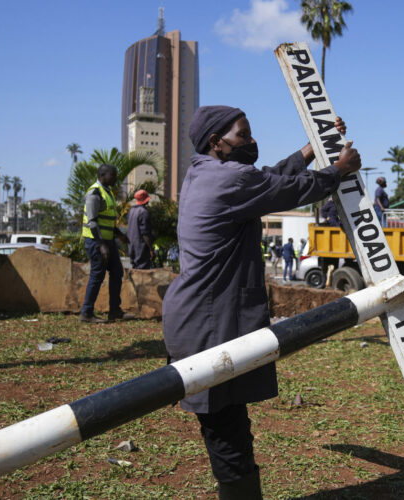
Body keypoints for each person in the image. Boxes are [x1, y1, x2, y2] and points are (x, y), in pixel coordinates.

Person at [162, 105, 360, 498]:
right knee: (225, 430)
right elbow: (287, 188)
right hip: (207, 325)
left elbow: (268, 177)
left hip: (204, 317)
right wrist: (339, 170)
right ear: (216, 142)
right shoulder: (228, 180)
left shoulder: (206, 172)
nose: (251, 141)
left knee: (230, 424)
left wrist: (310, 149)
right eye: (243, 135)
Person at [79, 164, 129, 323]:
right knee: (97, 275)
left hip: (108, 241)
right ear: (103, 175)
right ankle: (86, 313)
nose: (115, 178)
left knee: (117, 272)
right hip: (96, 241)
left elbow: (107, 220)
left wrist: (119, 234)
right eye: (112, 175)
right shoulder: (94, 193)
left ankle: (114, 310)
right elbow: (92, 222)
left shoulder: (107, 193)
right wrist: (101, 245)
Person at [127, 189, 155, 269]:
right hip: (141, 249)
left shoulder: (131, 211)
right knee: (142, 274)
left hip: (132, 247)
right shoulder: (144, 212)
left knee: (135, 271)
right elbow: (145, 234)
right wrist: (151, 249)